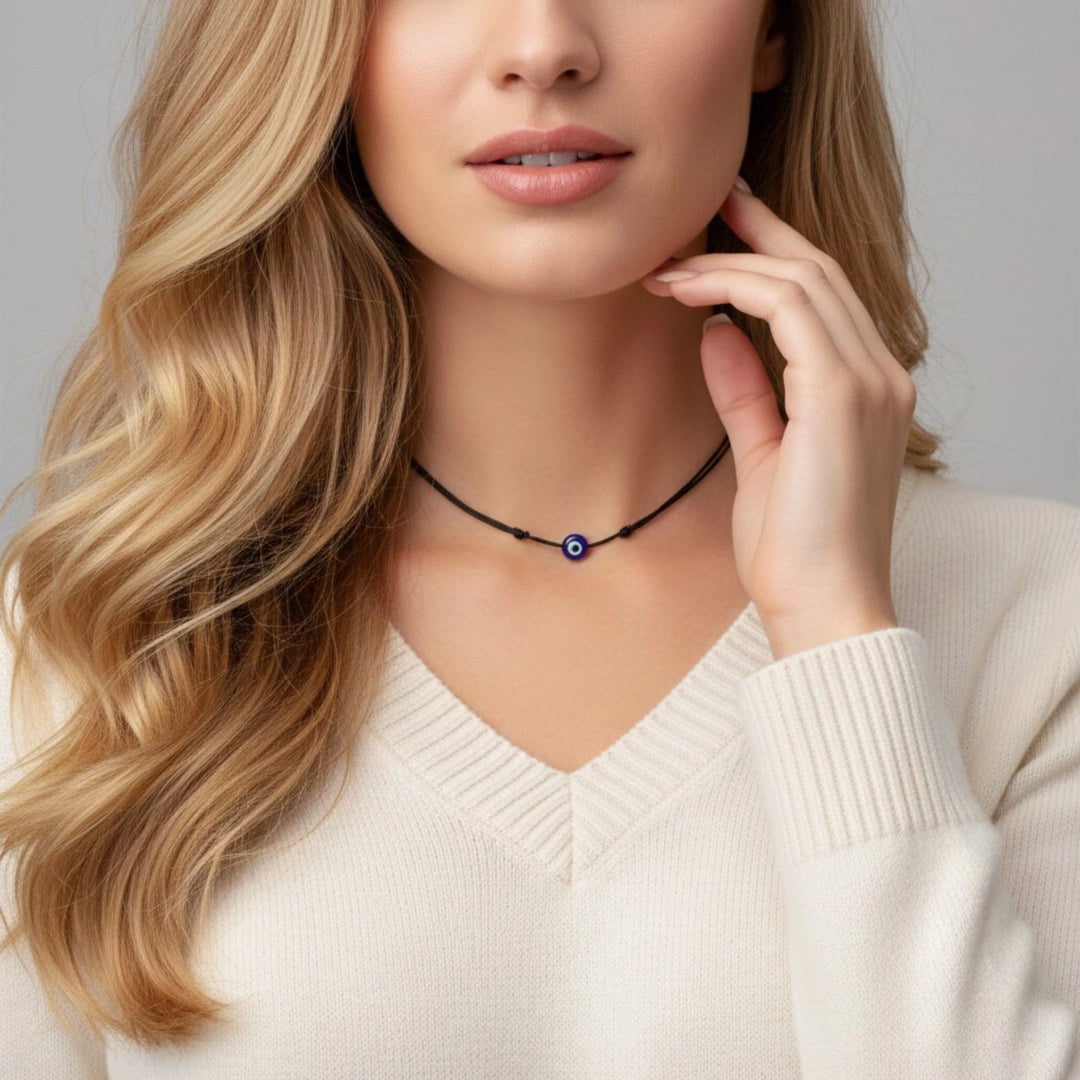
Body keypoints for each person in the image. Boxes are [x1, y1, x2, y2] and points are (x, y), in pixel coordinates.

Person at [1, 0, 1078, 1075]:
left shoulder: (1041, 622)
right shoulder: (86, 634)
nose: (543, 48)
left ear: (775, 31)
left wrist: (841, 637)